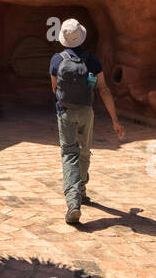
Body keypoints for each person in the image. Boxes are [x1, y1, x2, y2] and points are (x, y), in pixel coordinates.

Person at [49, 18, 124, 225]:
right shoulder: (92, 60)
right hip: (86, 111)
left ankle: (73, 202)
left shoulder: (56, 59)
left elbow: (54, 88)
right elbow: (104, 90)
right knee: (83, 151)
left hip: (64, 112)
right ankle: (81, 189)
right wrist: (115, 120)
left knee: (69, 153)